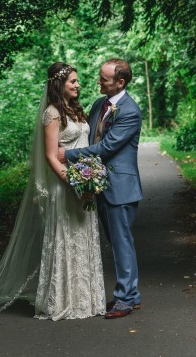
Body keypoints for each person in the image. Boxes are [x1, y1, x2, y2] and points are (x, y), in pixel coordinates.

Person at [0, 62, 105, 321]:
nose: (78, 85)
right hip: (66, 184)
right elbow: (50, 156)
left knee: (83, 236)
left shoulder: (76, 110)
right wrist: (72, 181)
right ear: (59, 84)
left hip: (84, 184)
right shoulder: (52, 114)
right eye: (73, 82)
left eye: (78, 81)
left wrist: (90, 180)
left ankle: (86, 300)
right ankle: (64, 301)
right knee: (66, 237)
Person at [59, 58, 143, 319]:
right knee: (115, 241)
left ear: (120, 82)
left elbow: (107, 148)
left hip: (120, 186)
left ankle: (125, 299)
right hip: (99, 184)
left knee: (121, 243)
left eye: (104, 79)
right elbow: (87, 133)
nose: (98, 82)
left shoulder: (129, 111)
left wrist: (67, 155)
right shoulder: (99, 104)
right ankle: (132, 295)